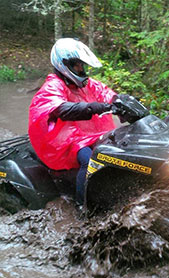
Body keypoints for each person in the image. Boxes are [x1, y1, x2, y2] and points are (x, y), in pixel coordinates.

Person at [28, 38, 117, 205]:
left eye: (82, 65)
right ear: (64, 64)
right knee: (90, 160)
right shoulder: (52, 86)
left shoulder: (85, 84)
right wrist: (94, 107)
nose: (81, 69)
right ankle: (83, 206)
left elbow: (104, 92)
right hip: (62, 141)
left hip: (83, 136)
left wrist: (120, 100)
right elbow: (62, 108)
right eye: (77, 65)